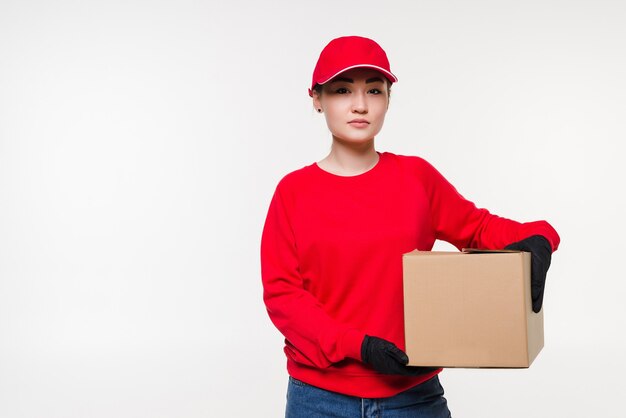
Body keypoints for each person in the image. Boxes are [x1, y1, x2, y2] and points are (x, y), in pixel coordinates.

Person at [260, 36, 560, 418]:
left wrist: (542, 236)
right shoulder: (293, 192)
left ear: (388, 99)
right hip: (319, 398)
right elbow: (283, 296)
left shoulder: (416, 178)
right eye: (341, 90)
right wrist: (359, 345)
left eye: (374, 89)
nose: (360, 104)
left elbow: (479, 228)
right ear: (316, 100)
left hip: (412, 396)